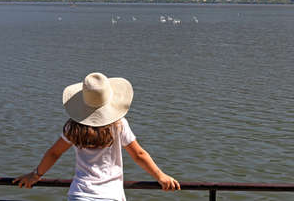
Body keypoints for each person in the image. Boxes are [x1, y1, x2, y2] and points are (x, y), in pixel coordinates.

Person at [14, 72, 180, 200]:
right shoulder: (119, 124)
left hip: (79, 194)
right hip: (110, 194)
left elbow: (54, 153)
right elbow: (138, 154)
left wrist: (35, 175)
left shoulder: (73, 127)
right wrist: (160, 176)